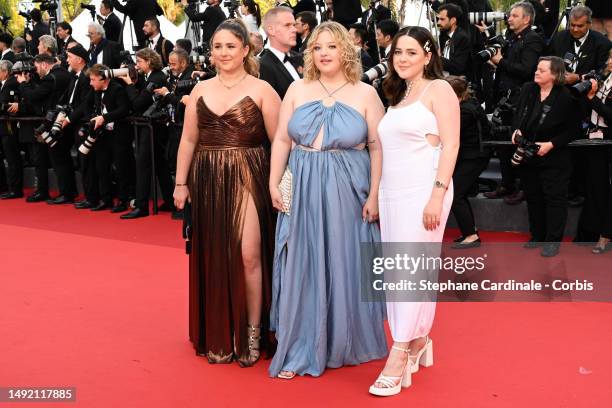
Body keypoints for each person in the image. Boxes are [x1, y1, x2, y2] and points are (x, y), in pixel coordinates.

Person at [268, 21, 387, 379]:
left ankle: (344, 340)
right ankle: (300, 345)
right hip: (302, 183)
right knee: (301, 260)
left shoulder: (365, 93)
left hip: (348, 187)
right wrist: (274, 183)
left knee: (344, 258)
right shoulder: (296, 89)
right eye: (317, 47)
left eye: (332, 47)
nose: (323, 53)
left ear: (346, 51)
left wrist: (376, 194)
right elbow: (281, 141)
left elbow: (378, 147)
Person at [173, 19, 280, 366]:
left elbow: (280, 142)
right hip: (206, 177)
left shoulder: (263, 90)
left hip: (249, 172)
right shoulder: (201, 89)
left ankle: (253, 330)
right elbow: (189, 139)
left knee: (249, 253)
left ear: (246, 50)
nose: (223, 53)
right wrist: (180, 182)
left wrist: (278, 182)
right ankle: (220, 332)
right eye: (217, 47)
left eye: (230, 46)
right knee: (215, 253)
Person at [371, 26, 459, 396]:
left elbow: (451, 145)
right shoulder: (399, 94)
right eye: (397, 53)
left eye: (410, 52)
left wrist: (436, 196)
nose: (402, 59)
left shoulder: (439, 89)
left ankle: (400, 349)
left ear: (428, 54)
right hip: (394, 193)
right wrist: (376, 194)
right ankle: (420, 338)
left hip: (425, 191)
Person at [512, 56, 581, 257]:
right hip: (528, 154)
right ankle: (537, 236)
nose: (536, 72)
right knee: (533, 197)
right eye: (537, 68)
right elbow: (518, 113)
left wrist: (551, 144)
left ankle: (553, 241)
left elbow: (574, 130)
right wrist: (516, 130)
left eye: (542, 70)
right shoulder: (528, 89)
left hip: (555, 157)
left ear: (554, 74)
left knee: (554, 199)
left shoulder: (566, 97)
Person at [119, 47, 172, 219]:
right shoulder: (149, 77)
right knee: (159, 165)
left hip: (152, 128)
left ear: (149, 61)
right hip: (152, 127)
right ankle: (170, 201)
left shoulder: (156, 78)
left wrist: (128, 85)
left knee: (143, 165)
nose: (137, 64)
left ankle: (141, 207)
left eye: (140, 61)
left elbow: (138, 103)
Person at [445, 75, 491, 248]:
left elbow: (449, 132)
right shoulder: (469, 104)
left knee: (456, 195)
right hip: (473, 156)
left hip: (473, 158)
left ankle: (471, 236)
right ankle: (470, 232)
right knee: (458, 195)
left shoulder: (464, 110)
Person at [580, 51, 612, 253]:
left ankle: (606, 235)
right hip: (595, 140)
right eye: (610, 57)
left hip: (609, 140)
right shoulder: (605, 77)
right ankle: (593, 231)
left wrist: (593, 99)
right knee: (596, 188)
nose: (609, 61)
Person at [259, 7, 299, 99]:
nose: (294, 30)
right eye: (287, 25)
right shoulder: (263, 66)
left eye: (294, 25)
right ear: (271, 30)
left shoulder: (300, 58)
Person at [437, 3, 472, 78]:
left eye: (442, 19)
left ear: (453, 20)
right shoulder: (442, 36)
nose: (438, 22)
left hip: (457, 84)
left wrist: (437, 58)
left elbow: (458, 67)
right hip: (442, 81)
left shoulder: (463, 38)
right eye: (438, 19)